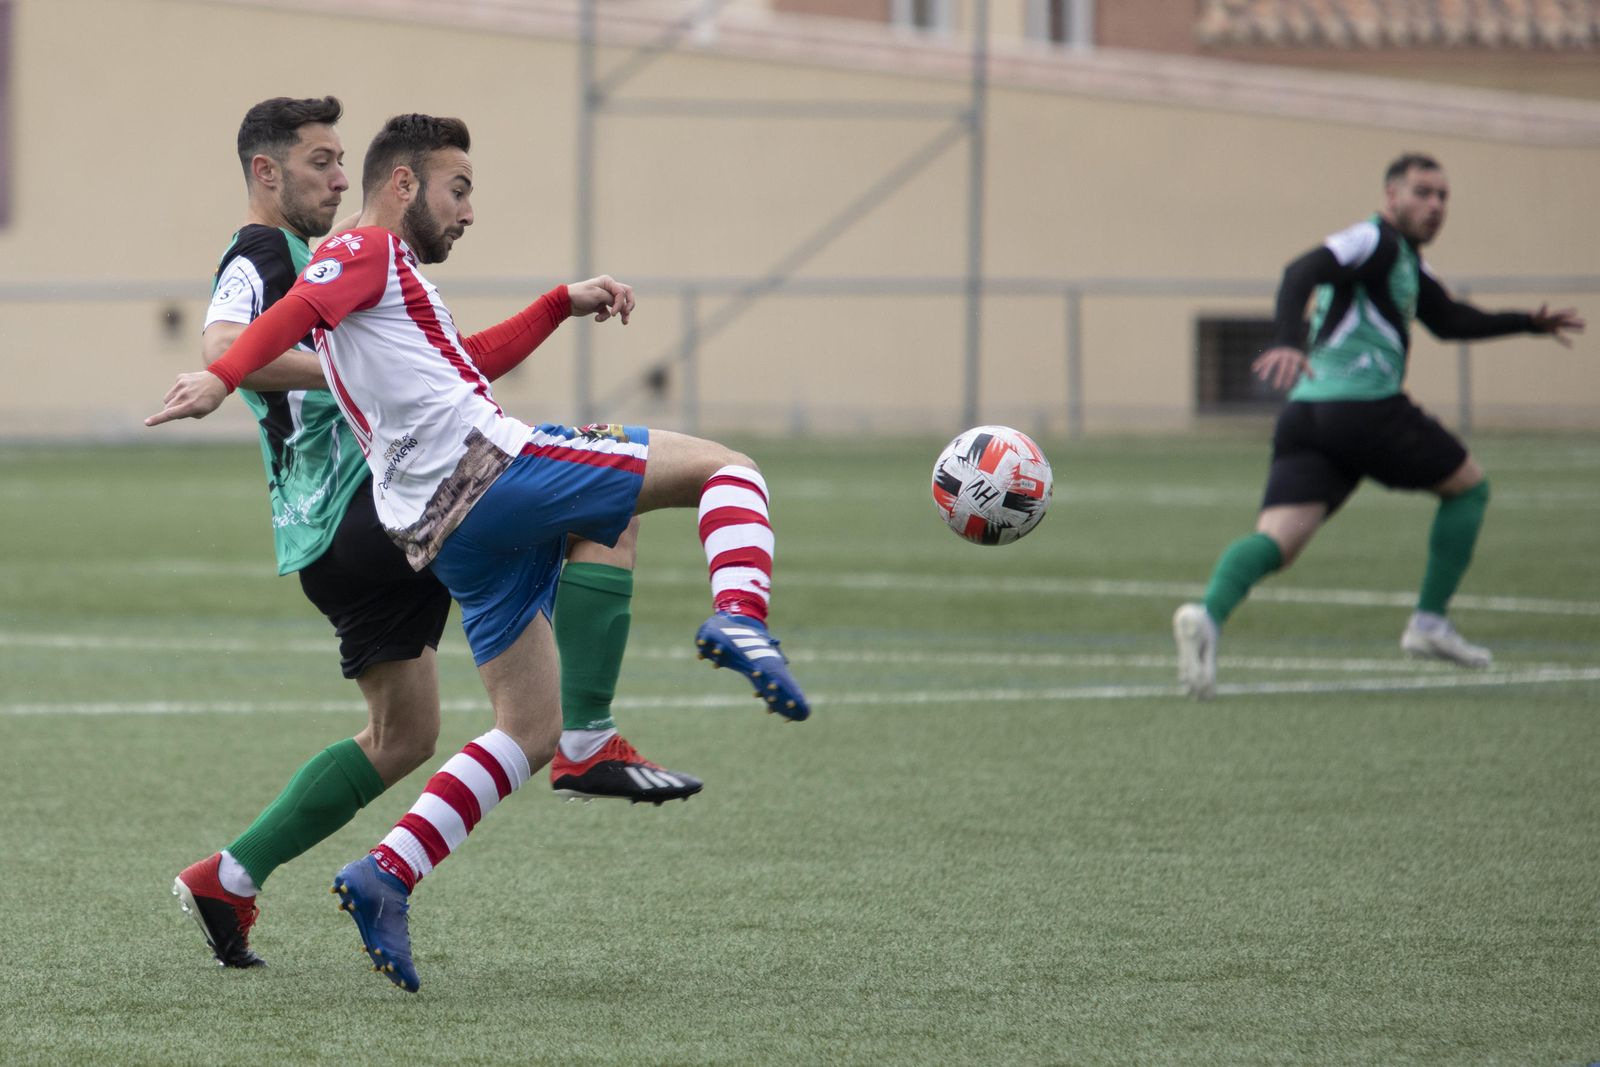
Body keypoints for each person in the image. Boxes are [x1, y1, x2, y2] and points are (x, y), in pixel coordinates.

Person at [150, 112, 810, 992]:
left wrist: (556, 304)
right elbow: (263, 327)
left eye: (344, 161)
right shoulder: (328, 251)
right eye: (457, 190)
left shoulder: (374, 275)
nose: (339, 178)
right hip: (430, 488)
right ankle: (718, 633)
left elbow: (459, 359)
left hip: (418, 519)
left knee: (470, 729)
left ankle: (336, 873)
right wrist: (221, 377)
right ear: (402, 185)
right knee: (713, 473)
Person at [1173, 152, 1585, 701]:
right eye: (1422, 193)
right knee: (1469, 487)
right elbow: (1300, 271)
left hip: (1306, 415)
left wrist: (1526, 323)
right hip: (1362, 407)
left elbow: (1449, 319)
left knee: (1277, 541)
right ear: (1391, 196)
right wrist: (1288, 341)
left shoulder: (1406, 262)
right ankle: (1429, 622)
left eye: (1443, 196)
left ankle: (1206, 616)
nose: (1435, 205)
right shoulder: (1374, 241)